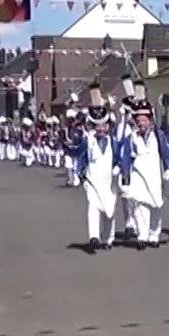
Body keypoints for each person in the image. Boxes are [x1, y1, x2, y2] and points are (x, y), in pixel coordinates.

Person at [118, 100, 167, 246]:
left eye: (144, 120)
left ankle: (154, 234)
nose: (141, 123)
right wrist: (125, 176)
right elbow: (126, 157)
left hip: (155, 174)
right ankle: (142, 235)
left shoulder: (158, 135)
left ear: (150, 120)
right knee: (139, 205)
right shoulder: (131, 137)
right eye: (138, 120)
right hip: (138, 175)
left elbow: (166, 152)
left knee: (156, 205)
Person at [73, 103, 119, 250]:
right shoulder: (89, 141)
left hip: (109, 181)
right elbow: (81, 158)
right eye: (97, 125)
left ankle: (107, 239)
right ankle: (94, 236)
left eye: (103, 125)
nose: (100, 128)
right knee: (93, 207)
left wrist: (118, 167)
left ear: (107, 126)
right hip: (93, 180)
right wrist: (81, 174)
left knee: (109, 211)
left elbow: (119, 157)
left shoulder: (113, 141)